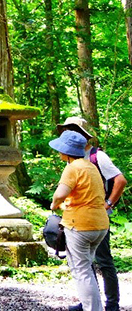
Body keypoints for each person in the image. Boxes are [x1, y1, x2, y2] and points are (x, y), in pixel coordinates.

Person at [57, 117, 127, 311]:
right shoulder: (73, 159)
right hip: (79, 218)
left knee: (103, 262)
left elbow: (120, 180)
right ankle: (88, 303)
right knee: (86, 264)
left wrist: (109, 203)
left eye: (72, 130)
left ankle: (111, 305)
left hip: (97, 217)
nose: (68, 133)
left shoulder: (98, 156)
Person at [49, 128, 109, 311]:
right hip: (100, 225)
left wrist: (53, 204)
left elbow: (61, 193)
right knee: (87, 270)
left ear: (66, 152)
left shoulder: (72, 168)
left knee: (82, 272)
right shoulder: (91, 166)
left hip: (80, 226)